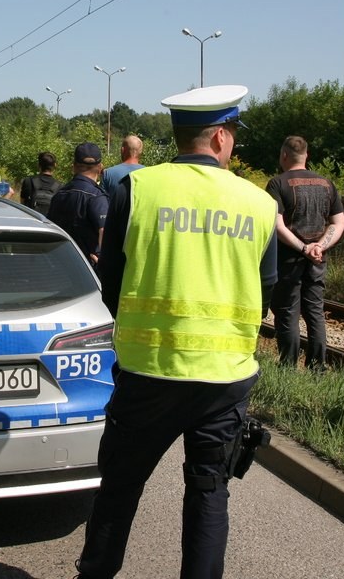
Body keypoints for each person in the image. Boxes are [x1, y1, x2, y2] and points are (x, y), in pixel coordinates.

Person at [75, 85, 278, 579]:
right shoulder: (259, 203)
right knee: (209, 492)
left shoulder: (137, 189)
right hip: (224, 380)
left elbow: (113, 283)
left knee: (119, 488)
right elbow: (266, 293)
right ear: (222, 138)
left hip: (148, 373)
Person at [264, 136, 344, 371]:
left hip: (288, 260)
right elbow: (339, 223)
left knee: (287, 314)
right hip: (318, 261)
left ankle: (288, 367)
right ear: (307, 156)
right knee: (315, 313)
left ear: (284, 156)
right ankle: (317, 368)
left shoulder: (277, 184)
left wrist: (303, 248)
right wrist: (319, 246)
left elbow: (277, 225)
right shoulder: (327, 184)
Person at [47, 143, 109, 268]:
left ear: (73, 167)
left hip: (59, 263)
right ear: (100, 168)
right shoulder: (97, 196)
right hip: (87, 269)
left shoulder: (59, 194)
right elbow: (104, 230)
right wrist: (106, 261)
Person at [99, 134, 144, 199]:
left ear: (122, 150)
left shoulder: (108, 173)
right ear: (140, 152)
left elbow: (101, 202)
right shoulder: (149, 174)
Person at [19, 151, 60, 216]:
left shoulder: (28, 181)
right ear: (55, 165)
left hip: (31, 221)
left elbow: (22, 204)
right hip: (49, 224)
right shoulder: (59, 186)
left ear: (38, 165)